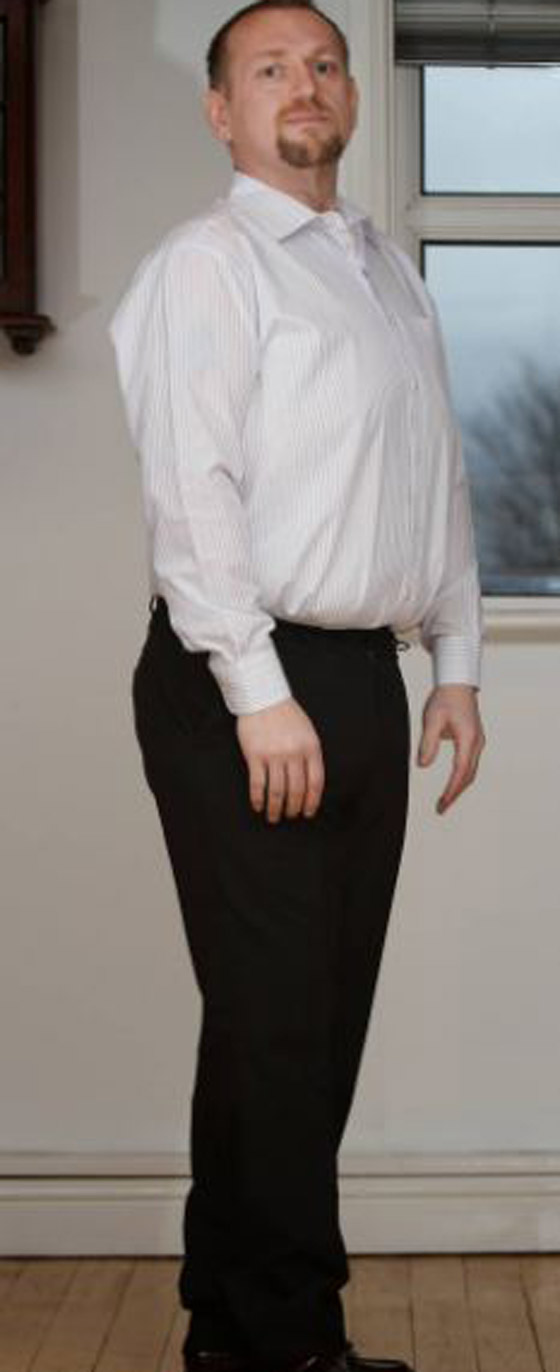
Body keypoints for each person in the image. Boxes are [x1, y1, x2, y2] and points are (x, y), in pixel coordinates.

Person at [109, 3, 485, 1369]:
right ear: (222, 112)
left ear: (351, 98)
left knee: (307, 1022)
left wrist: (454, 663)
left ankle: (238, 1330)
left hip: (358, 678)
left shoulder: (383, 274)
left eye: (323, 64)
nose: (304, 84)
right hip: (243, 678)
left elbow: (433, 474)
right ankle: (287, 1342)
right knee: (278, 1023)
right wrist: (258, 690)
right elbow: (191, 494)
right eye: (269, 69)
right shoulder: (208, 267)